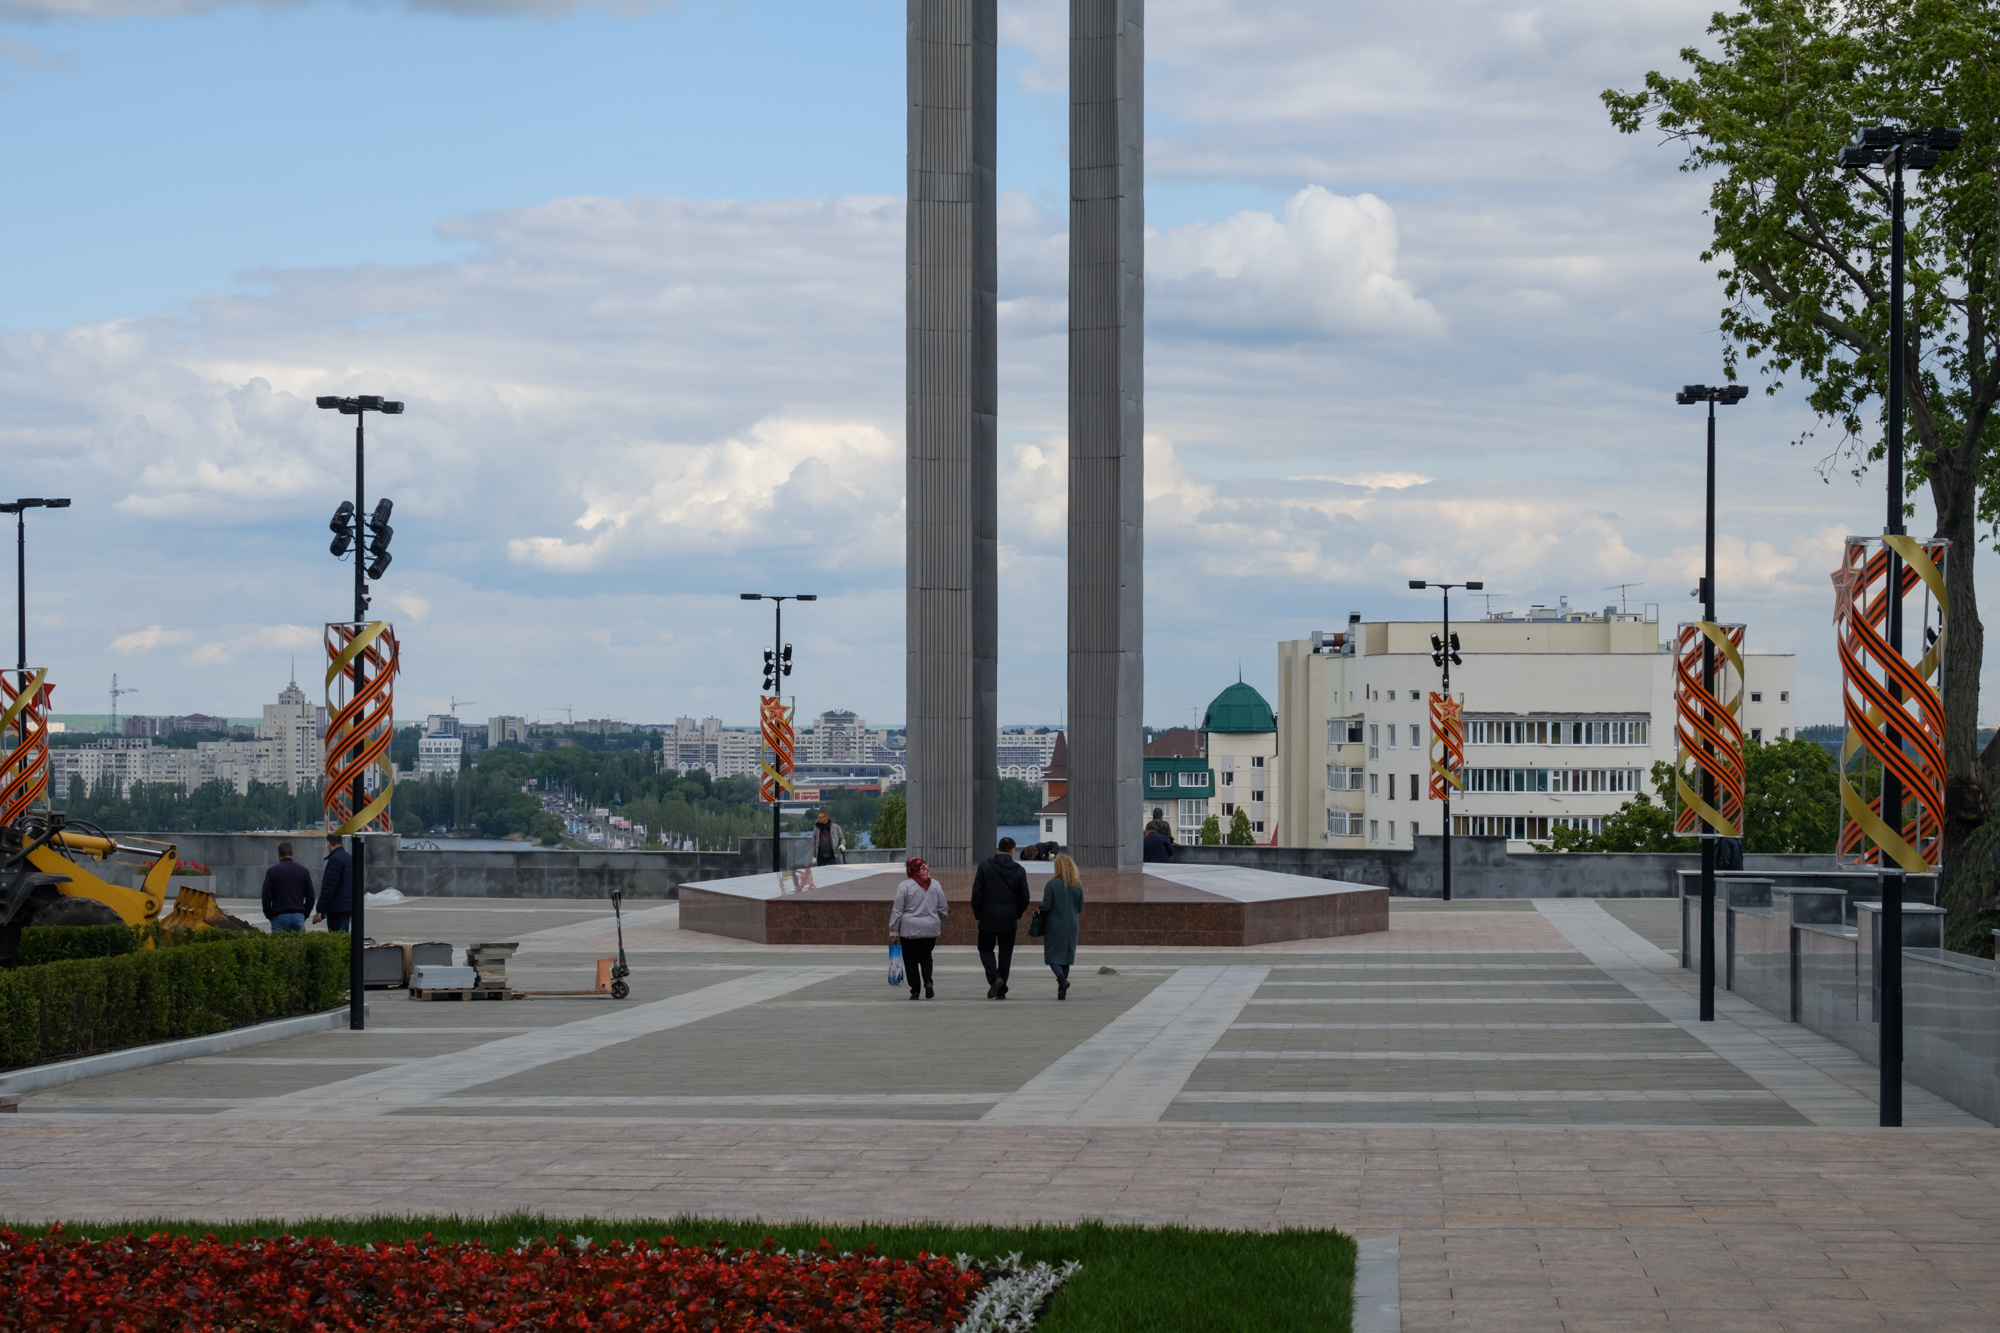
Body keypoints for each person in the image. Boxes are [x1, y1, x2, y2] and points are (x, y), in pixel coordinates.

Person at [969, 836, 1030, 999]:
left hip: (988, 916)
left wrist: (978, 913)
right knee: (1005, 953)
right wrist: (1017, 912)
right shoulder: (1019, 870)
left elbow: (977, 893)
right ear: (1012, 851)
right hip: (1009, 918)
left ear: (999, 848)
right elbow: (1025, 897)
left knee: (985, 949)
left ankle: (995, 978)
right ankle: (1001, 991)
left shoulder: (984, 866)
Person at [888, 855, 948, 1000]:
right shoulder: (935, 885)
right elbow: (943, 908)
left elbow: (897, 910)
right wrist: (938, 921)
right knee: (926, 956)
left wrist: (893, 930)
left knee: (910, 960)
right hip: (930, 929)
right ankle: (928, 981)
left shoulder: (905, 886)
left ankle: (915, 990)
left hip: (909, 930)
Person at [1040, 853, 1084, 1000]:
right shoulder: (1076, 885)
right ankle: (1062, 990)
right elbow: (1080, 908)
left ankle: (1061, 980)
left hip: (1054, 924)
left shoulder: (1052, 884)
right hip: (1072, 924)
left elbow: (1046, 905)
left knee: (1052, 956)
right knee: (1066, 957)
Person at [260, 841, 314, 934]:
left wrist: (269, 915)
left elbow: (266, 896)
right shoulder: (303, 871)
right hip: (298, 915)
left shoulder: (272, 871)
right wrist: (304, 914)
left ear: (278, 853)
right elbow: (311, 896)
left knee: (279, 947)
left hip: (279, 915)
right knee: (298, 947)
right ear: (292, 852)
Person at [313, 832, 353, 933]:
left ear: (328, 843)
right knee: (344, 940)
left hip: (336, 910)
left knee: (337, 940)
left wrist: (319, 909)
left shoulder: (335, 859)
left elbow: (328, 887)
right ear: (340, 842)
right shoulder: (349, 858)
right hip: (346, 909)